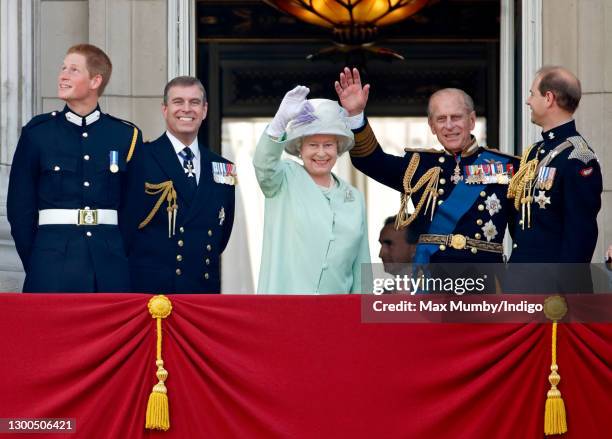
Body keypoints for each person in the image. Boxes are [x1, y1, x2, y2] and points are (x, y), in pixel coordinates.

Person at [335, 67, 519, 265]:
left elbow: (523, 235)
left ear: (472, 120)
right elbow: (370, 161)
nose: (449, 126)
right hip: (433, 281)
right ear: (432, 126)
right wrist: (355, 116)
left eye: (456, 117)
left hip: (486, 280)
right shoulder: (420, 165)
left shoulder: (506, 167)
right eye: (441, 119)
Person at [7, 44, 143, 292]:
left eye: (73, 69)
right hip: (51, 264)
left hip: (109, 266)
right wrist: (38, 259)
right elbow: (19, 208)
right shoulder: (38, 133)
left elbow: (133, 209)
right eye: (62, 68)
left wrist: (116, 254)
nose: (63, 75)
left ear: (95, 81)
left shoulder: (125, 135)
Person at [122, 76, 235, 293]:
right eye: (178, 102)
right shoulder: (140, 159)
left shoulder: (223, 167)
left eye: (194, 102)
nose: (187, 109)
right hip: (151, 293)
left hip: (202, 291)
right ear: (165, 109)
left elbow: (222, 234)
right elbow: (126, 227)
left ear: (204, 110)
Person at [253, 86, 370, 294]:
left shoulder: (353, 197)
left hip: (336, 314)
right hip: (287, 309)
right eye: (313, 145)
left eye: (328, 145)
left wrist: (361, 318)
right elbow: (264, 165)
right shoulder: (284, 178)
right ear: (300, 148)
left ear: (338, 148)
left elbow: (362, 264)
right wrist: (279, 123)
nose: (321, 153)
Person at [508, 66, 602, 263]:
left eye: (532, 94)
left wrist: (564, 290)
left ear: (549, 98)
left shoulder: (577, 156)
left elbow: (580, 234)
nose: (528, 101)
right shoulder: (534, 152)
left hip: (552, 286)